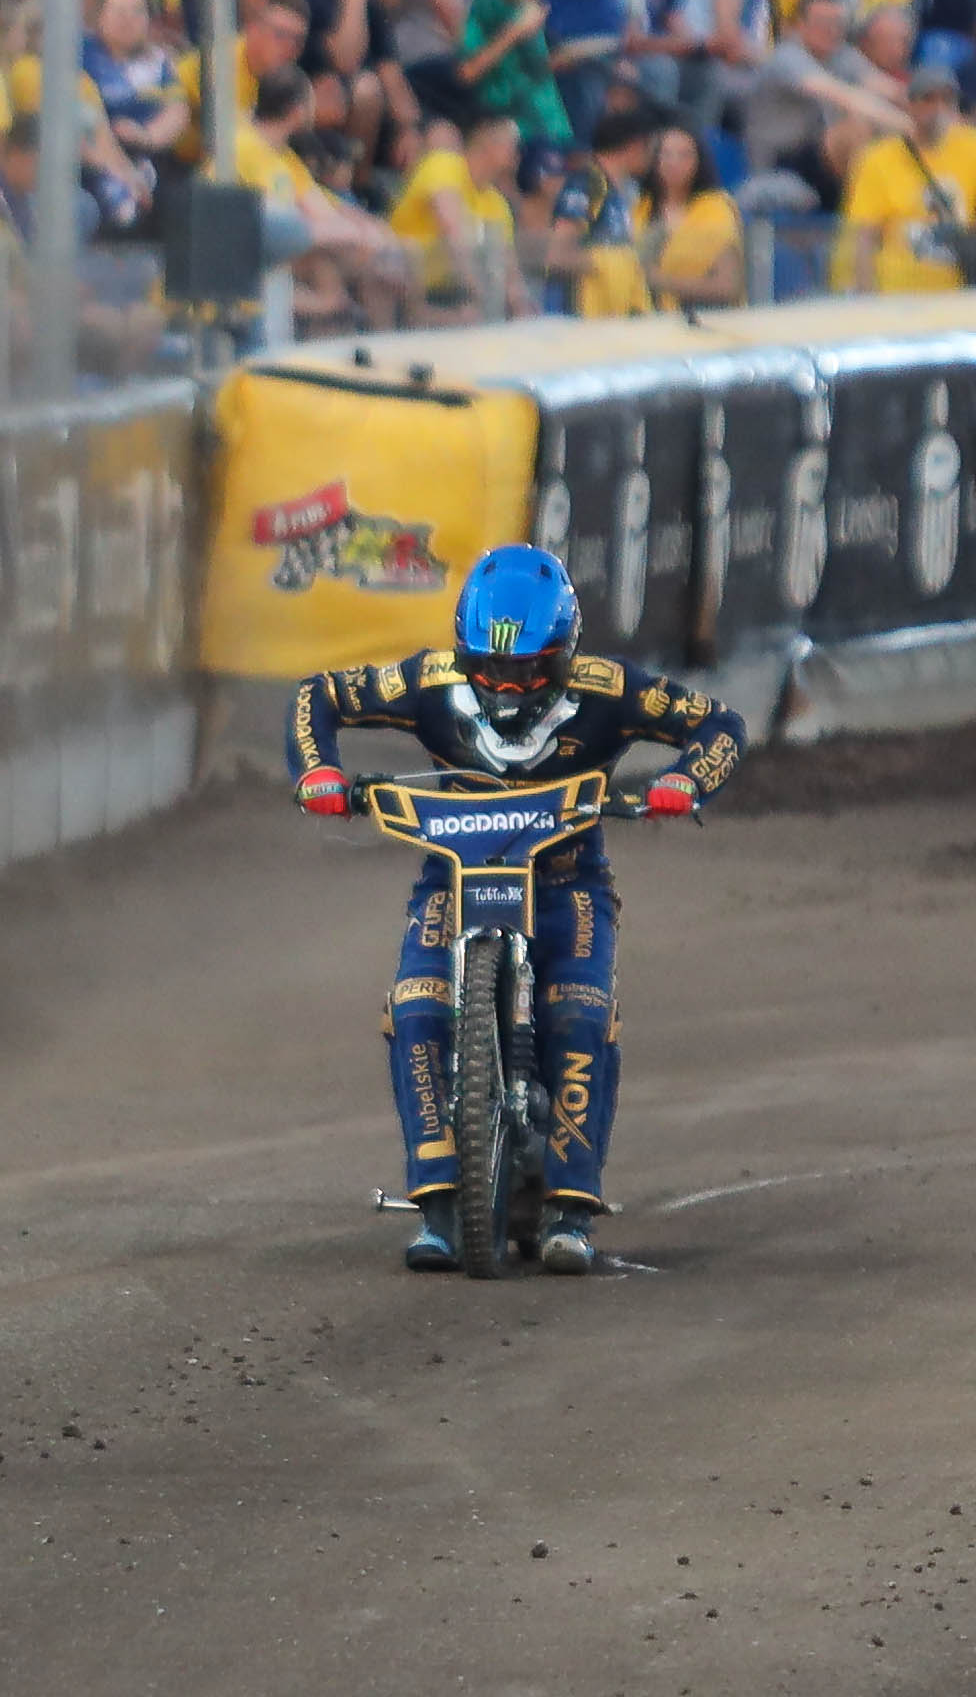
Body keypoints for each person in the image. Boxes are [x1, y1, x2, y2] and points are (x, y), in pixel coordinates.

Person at [285, 542, 742, 1275]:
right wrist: (320, 770)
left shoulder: (610, 689)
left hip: (567, 880)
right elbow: (320, 694)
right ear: (463, 653)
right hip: (452, 875)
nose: (506, 683)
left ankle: (571, 1207)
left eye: (527, 668)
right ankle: (438, 1203)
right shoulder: (427, 679)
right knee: (417, 1003)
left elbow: (719, 724)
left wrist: (685, 782)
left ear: (564, 654)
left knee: (582, 1010)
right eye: (489, 667)